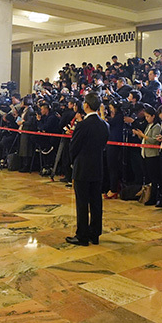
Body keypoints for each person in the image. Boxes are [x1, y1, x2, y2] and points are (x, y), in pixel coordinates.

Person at [66, 93, 109, 246]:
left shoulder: (83, 125)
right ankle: (94, 234)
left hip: (83, 167)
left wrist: (73, 162)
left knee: (82, 202)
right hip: (97, 166)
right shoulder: (104, 125)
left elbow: (74, 147)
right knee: (96, 202)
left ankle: (82, 235)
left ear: (86, 105)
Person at [132, 105, 162, 206]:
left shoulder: (156, 126)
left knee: (153, 178)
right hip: (145, 154)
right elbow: (145, 139)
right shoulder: (149, 125)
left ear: (153, 116)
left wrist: (143, 135)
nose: (146, 118)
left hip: (152, 155)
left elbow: (153, 140)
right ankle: (148, 196)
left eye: (148, 116)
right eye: (145, 116)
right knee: (148, 177)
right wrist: (139, 135)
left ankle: (154, 197)